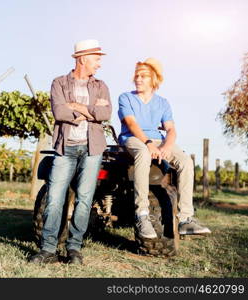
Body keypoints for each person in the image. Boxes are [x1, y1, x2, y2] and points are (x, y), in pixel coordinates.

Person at [29, 39, 112, 265]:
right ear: (83, 59)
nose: (99, 64)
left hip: (92, 149)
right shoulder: (59, 83)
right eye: (97, 59)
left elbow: (105, 113)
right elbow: (60, 112)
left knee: (84, 200)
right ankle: (48, 249)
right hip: (65, 148)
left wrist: (77, 107)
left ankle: (74, 249)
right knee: (55, 199)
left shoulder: (101, 86)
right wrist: (88, 112)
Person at [118, 58, 211, 239]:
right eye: (136, 75)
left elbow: (170, 129)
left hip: (157, 139)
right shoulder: (126, 98)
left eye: (143, 76)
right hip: (134, 138)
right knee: (144, 154)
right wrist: (148, 143)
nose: (138, 79)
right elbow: (131, 123)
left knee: (185, 161)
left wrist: (167, 147)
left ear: (154, 79)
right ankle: (142, 215)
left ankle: (185, 219)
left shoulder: (162, 103)